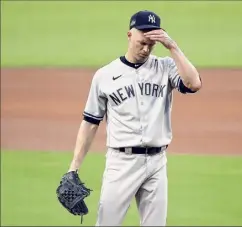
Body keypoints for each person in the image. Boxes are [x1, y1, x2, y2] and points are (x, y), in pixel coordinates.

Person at [67, 10, 202, 226]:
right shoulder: (104, 75)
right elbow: (90, 123)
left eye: (151, 44)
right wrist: (73, 167)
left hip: (157, 162)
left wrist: (173, 47)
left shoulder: (165, 67)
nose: (146, 48)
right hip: (121, 163)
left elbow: (194, 84)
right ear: (129, 35)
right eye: (142, 42)